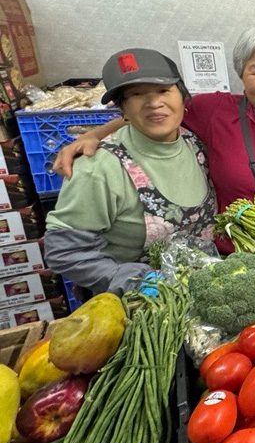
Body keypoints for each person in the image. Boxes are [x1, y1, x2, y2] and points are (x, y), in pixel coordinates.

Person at [54, 26, 255, 249]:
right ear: (241, 75)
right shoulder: (214, 110)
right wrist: (95, 135)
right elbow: (154, 113)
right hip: (232, 254)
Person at [45, 48, 215, 296]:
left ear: (182, 96)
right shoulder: (99, 167)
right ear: (123, 108)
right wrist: (134, 281)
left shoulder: (195, 142)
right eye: (136, 94)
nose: (154, 103)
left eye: (163, 90)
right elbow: (64, 252)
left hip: (206, 293)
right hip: (139, 306)